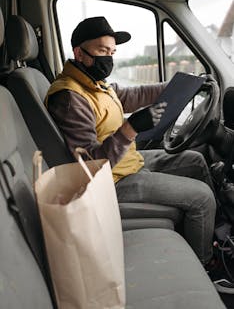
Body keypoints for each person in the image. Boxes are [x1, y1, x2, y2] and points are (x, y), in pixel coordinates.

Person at [45, 16, 216, 266]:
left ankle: (211, 232)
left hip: (126, 163)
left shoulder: (94, 84)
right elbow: (90, 165)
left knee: (195, 160)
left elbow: (133, 94)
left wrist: (188, 86)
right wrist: (131, 128)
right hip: (111, 181)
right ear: (79, 53)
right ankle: (207, 264)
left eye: (112, 51)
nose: (109, 58)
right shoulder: (70, 97)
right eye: (102, 50)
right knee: (202, 197)